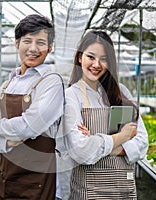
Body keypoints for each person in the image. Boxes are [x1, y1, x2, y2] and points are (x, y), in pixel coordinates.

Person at [0, 14, 64, 200]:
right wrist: (6, 142)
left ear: (50, 48)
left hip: (36, 182)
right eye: (27, 41)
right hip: (5, 178)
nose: (33, 48)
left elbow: (28, 127)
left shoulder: (51, 82)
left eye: (41, 42)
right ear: (17, 43)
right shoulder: (7, 84)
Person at [62, 30, 148, 199]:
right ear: (80, 57)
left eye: (103, 59)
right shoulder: (72, 95)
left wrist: (98, 143)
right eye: (91, 57)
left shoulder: (121, 92)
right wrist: (123, 136)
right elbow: (81, 151)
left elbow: (142, 142)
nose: (96, 64)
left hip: (124, 189)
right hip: (89, 191)